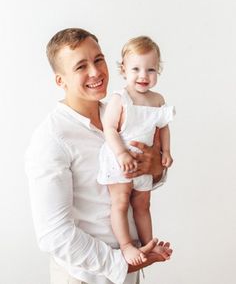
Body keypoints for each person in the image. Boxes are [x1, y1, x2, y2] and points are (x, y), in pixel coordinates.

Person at [25, 28, 173, 284]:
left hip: (133, 270)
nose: (95, 72)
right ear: (61, 81)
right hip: (85, 277)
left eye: (98, 59)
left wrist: (156, 168)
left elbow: (144, 180)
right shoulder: (51, 138)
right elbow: (53, 233)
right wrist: (118, 263)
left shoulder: (124, 114)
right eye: (81, 66)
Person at [97, 36, 175, 266]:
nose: (143, 75)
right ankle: (126, 245)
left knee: (143, 204)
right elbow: (109, 128)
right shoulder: (121, 98)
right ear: (123, 69)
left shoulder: (158, 100)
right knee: (120, 202)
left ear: (158, 70)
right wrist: (121, 154)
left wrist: (166, 152)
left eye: (151, 69)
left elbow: (163, 128)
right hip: (120, 160)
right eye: (136, 69)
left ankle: (148, 243)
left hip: (144, 164)